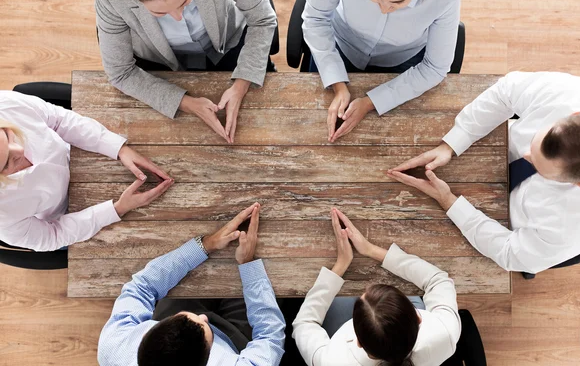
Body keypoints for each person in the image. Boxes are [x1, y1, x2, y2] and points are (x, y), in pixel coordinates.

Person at [388, 71, 580, 274]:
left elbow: (509, 253)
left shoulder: (575, 225)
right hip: (489, 150)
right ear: (572, 115)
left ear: (579, 184)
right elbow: (505, 92)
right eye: (534, 145)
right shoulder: (570, 92)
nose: (526, 155)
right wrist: (452, 143)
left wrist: (449, 201)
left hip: (507, 223)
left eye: (538, 166)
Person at [95, 0, 277, 143]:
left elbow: (262, 18)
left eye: (184, 1)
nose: (178, 17)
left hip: (226, 42)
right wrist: (187, 103)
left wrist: (242, 84)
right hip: (159, 60)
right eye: (160, 13)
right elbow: (120, 72)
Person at [97, 203, 286, 366]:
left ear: (146, 334)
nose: (203, 317)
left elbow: (142, 286)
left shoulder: (115, 347)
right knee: (274, 292)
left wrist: (205, 244)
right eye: (204, 323)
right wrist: (248, 264)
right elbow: (270, 337)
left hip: (174, 313)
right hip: (235, 343)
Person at [302, 0, 462, 142]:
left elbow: (435, 67)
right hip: (341, 45)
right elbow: (315, 18)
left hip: (403, 59)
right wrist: (338, 85)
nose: (385, 9)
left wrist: (371, 103)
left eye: (399, 2)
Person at [0, 90, 173, 252]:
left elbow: (59, 120)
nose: (20, 150)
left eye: (8, 135)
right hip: (69, 214)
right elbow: (53, 235)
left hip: (77, 153)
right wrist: (118, 209)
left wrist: (117, 148)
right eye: (7, 162)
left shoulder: (5, 104)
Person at [292, 208, 461, 366]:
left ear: (358, 341)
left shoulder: (334, 360)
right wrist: (370, 249)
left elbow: (304, 324)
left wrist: (341, 265)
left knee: (334, 303)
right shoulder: (443, 333)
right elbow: (438, 280)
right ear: (418, 319)